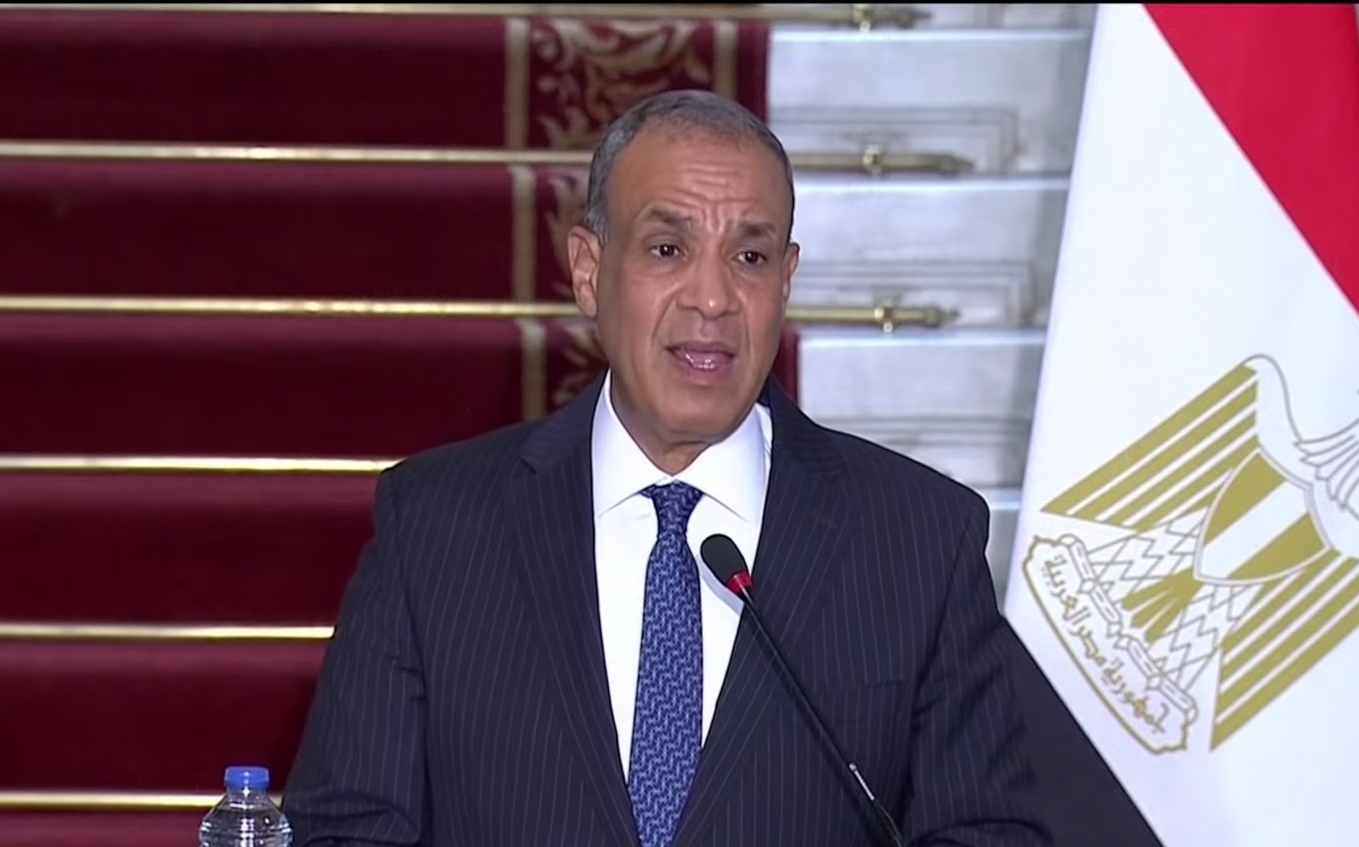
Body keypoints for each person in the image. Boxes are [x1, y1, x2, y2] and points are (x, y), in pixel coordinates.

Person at [283, 89, 1053, 847]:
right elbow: (345, 830)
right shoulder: (435, 526)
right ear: (589, 270)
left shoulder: (917, 538)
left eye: (749, 257)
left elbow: (985, 833)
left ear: (785, 281)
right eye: (667, 249)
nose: (712, 298)